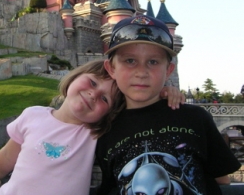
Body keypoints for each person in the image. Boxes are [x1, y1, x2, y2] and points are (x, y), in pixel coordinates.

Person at [0, 59, 183, 195]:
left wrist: (162, 93)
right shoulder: (33, 114)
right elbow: (9, 155)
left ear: (108, 114)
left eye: (105, 99)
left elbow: (138, 115)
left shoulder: (95, 134)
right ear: (75, 77)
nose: (93, 94)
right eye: (92, 83)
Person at [95, 15, 241, 195]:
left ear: (169, 70)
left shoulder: (195, 117)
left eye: (153, 62)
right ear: (111, 69)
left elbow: (222, 179)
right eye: (130, 61)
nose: (142, 72)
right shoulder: (105, 131)